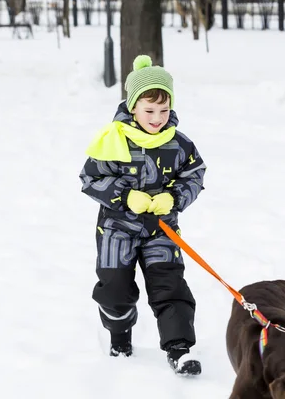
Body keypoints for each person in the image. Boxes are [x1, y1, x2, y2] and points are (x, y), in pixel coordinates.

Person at [79, 55, 206, 376]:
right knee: (115, 289)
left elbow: (195, 174)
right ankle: (120, 337)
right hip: (116, 231)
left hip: (161, 230)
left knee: (171, 286)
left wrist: (173, 196)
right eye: (149, 111)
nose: (157, 118)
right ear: (133, 106)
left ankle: (179, 349)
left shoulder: (179, 144)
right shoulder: (113, 139)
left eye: (164, 110)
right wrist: (124, 195)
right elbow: (90, 178)